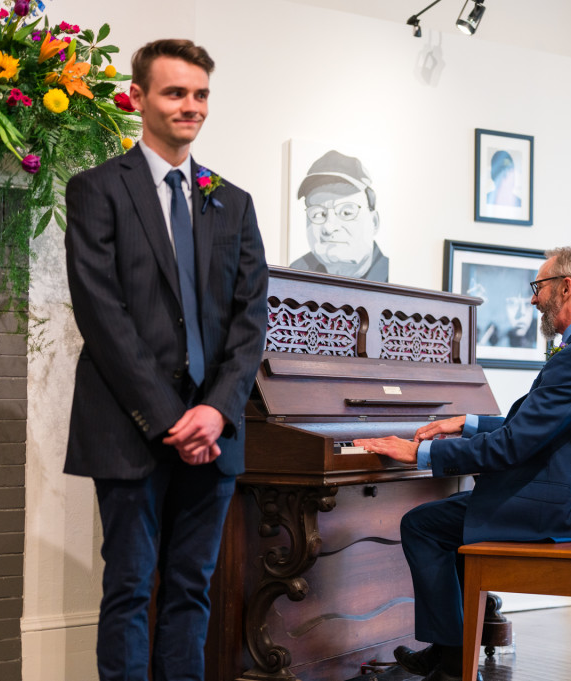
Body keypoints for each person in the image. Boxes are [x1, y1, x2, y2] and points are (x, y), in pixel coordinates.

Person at [63, 39, 268, 681]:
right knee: (127, 588)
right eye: (175, 93)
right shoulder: (97, 190)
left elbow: (252, 317)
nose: (191, 107)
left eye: (200, 94)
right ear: (139, 98)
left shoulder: (231, 201)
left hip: (214, 431)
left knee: (191, 588)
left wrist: (215, 409)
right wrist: (169, 417)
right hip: (128, 427)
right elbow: (101, 314)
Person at [354, 246, 571, 681]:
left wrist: (418, 452)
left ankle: (452, 658)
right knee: (456, 515)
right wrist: (466, 423)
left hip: (561, 510)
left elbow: (510, 447)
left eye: (539, 286)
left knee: (423, 525)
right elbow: (539, 423)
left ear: (567, 287)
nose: (532, 299)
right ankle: (469, 629)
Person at [288, 149, 388, 281]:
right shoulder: (295, 275)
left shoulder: (397, 277)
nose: (329, 227)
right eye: (318, 214)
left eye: (346, 212)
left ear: (374, 222)